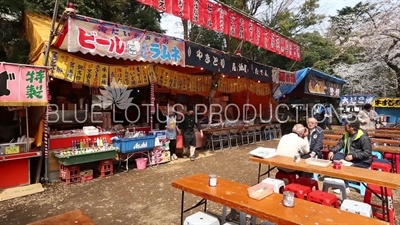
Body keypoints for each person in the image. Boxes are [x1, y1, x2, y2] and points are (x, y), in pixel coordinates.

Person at [328, 116, 372, 194]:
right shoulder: (347, 134)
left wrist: (353, 155)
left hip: (362, 161)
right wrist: (332, 151)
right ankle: (341, 181)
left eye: (346, 124)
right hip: (349, 158)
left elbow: (367, 153)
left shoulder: (363, 137)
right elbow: (340, 145)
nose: (344, 125)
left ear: (352, 127)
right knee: (336, 157)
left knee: (343, 164)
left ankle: (345, 187)